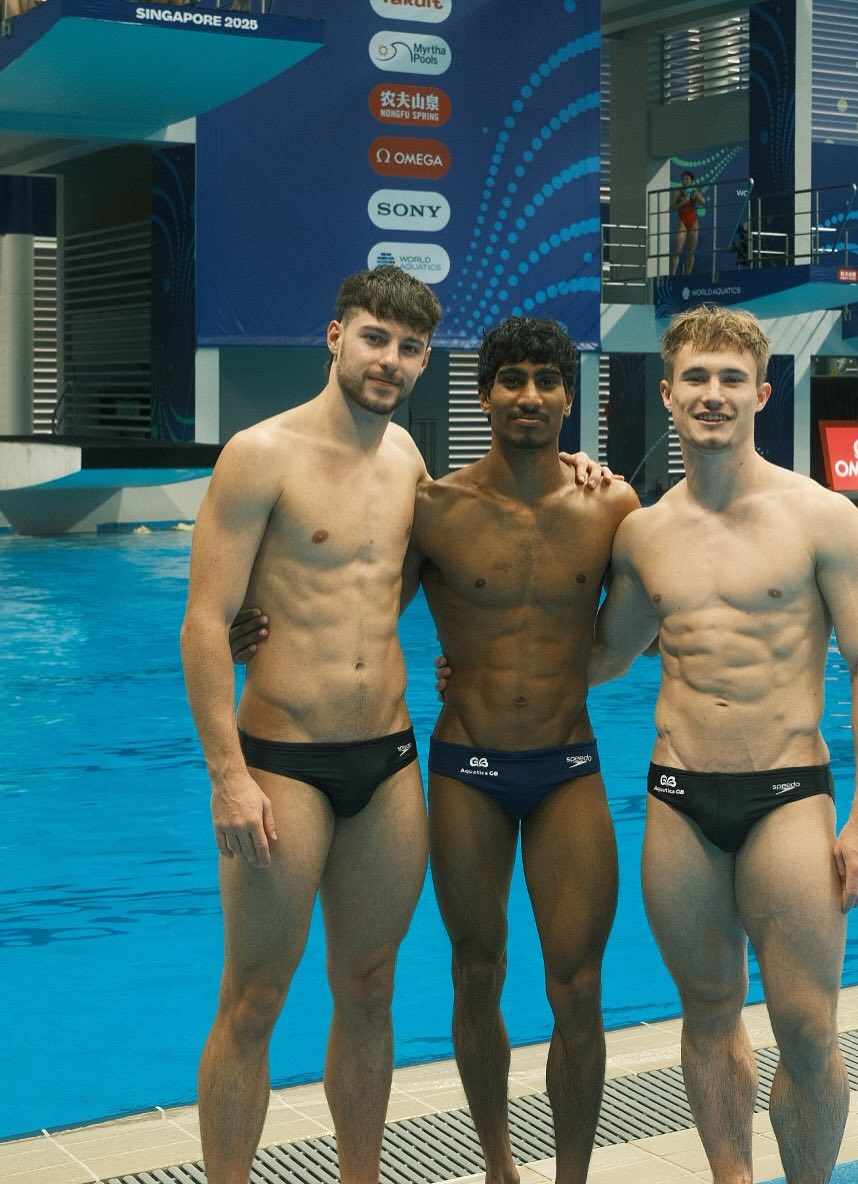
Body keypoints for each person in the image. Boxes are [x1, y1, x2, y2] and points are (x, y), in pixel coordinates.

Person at [589, 304, 858, 1184]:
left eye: (732, 379)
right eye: (695, 377)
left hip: (788, 795)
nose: (713, 394)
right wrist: (487, 669)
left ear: (762, 394)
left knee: (807, 1028)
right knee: (708, 1013)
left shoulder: (821, 518)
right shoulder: (643, 532)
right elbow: (605, 655)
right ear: (666, 393)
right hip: (678, 797)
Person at [181, 266, 445, 1184]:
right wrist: (227, 776)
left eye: (410, 348)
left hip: (388, 762)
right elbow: (205, 623)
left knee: (370, 989)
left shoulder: (408, 460)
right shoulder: (262, 453)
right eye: (375, 338)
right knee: (254, 999)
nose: (390, 360)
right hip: (281, 763)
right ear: (335, 337)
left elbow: (414, 579)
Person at [412, 318, 638, 1184]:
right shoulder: (435, 509)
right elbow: (354, 604)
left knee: (578, 987)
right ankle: (499, 1168)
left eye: (547, 380)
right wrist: (251, 626)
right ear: (484, 395)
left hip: (565, 766)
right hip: (466, 765)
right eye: (512, 379)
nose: (530, 396)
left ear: (570, 397)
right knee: (477, 971)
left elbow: (665, 616)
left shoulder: (611, 506)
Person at [670, 170, 702, 275]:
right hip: (682, 223)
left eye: (687, 179)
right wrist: (682, 202)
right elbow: (671, 208)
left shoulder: (694, 190)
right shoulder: (678, 192)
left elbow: (703, 202)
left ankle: (688, 276)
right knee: (677, 250)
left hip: (693, 223)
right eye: (683, 179)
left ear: (691, 181)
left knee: (691, 252)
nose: (684, 181)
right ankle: (673, 275)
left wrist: (697, 195)